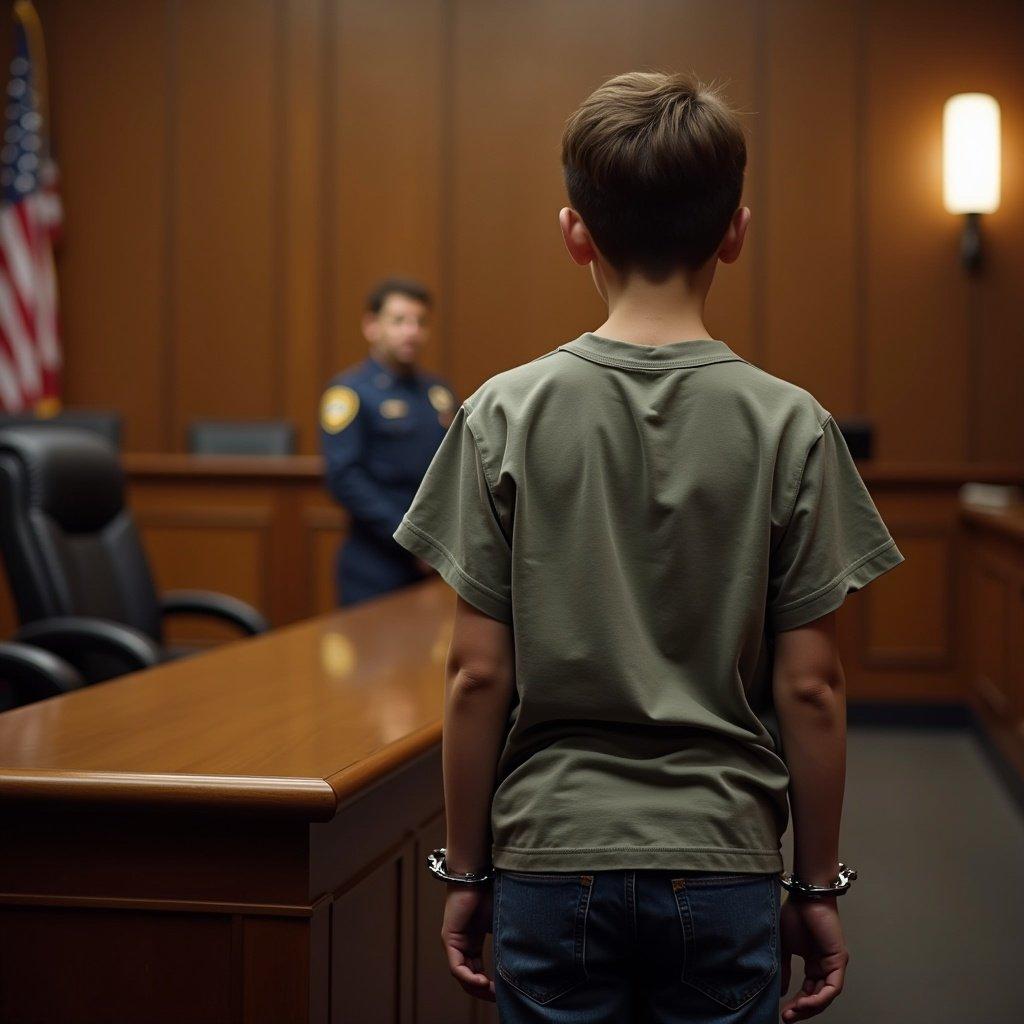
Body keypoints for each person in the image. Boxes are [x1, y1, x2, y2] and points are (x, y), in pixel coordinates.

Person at [394, 71, 905, 1023]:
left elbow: (474, 676)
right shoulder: (792, 425)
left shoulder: (501, 411)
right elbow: (810, 687)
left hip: (550, 853)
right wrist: (818, 886)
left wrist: (465, 867)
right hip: (723, 860)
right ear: (735, 233)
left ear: (575, 232)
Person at [320, 277, 457, 608]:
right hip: (375, 564)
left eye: (419, 322)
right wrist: (411, 539)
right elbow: (344, 478)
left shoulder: (437, 394)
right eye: (398, 321)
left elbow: (454, 471)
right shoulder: (350, 392)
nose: (411, 331)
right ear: (371, 326)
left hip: (433, 562)